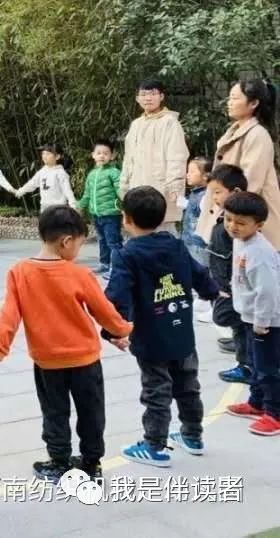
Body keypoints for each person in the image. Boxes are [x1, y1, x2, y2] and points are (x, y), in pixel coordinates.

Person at [0, 206, 132, 483]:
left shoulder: (19, 272)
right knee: (91, 412)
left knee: (54, 412)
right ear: (66, 241)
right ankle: (91, 463)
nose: (78, 250)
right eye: (79, 243)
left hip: (47, 362)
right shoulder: (79, 274)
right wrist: (122, 330)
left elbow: (9, 314)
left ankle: (59, 462)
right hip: (86, 360)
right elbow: (103, 311)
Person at [103, 187, 218, 467]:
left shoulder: (127, 255)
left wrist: (113, 330)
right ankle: (192, 436)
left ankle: (154, 445)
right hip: (182, 334)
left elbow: (117, 296)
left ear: (126, 219)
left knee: (156, 390)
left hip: (151, 339)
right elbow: (198, 273)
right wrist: (212, 292)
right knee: (188, 386)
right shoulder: (176, 245)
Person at [196, 79, 280, 249]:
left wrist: (226, 209)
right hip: (233, 215)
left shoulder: (257, 134)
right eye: (229, 98)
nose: (229, 102)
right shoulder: (236, 129)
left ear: (253, 103)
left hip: (247, 220)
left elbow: (251, 184)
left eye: (235, 98)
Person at [223, 192, 280, 437]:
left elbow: (267, 290)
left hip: (266, 321)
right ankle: (257, 403)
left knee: (268, 367)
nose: (232, 226)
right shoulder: (241, 241)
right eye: (228, 219)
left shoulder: (259, 252)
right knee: (255, 363)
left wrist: (262, 321)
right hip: (249, 316)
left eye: (241, 222)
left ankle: (275, 414)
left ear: (259, 225)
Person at [119, 78, 190, 234]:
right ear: (137, 98)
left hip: (160, 188)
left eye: (153, 93)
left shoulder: (170, 122)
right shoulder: (136, 124)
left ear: (161, 96)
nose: (148, 98)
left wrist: (175, 186)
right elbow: (128, 159)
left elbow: (177, 157)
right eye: (144, 94)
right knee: (139, 232)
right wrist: (124, 186)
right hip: (137, 187)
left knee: (163, 231)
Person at [206, 165, 253, 384]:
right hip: (223, 285)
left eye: (217, 192)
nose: (214, 197)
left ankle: (249, 366)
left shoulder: (238, 226)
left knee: (231, 319)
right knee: (238, 326)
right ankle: (246, 364)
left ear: (235, 192)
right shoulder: (224, 219)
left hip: (234, 288)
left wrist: (233, 287)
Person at [79, 139, 123, 277]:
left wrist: (126, 203)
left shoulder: (114, 172)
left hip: (111, 214)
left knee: (113, 242)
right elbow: (87, 194)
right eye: (99, 153)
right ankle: (104, 263)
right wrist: (79, 207)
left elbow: (120, 190)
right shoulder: (91, 174)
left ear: (112, 156)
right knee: (102, 240)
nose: (102, 156)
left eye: (106, 153)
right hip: (96, 214)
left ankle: (117, 267)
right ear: (93, 155)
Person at [15, 145, 77, 211]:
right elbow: (32, 183)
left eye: (48, 154)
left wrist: (73, 205)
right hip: (44, 207)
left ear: (57, 157)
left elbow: (67, 190)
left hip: (59, 208)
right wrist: (21, 191)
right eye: (43, 153)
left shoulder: (60, 173)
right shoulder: (42, 171)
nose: (44, 156)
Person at [179, 157, 211, 267]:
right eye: (188, 171)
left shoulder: (207, 195)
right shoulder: (196, 193)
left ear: (206, 176)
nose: (188, 174)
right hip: (189, 241)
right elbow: (192, 207)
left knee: (199, 270)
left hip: (198, 245)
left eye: (192, 172)